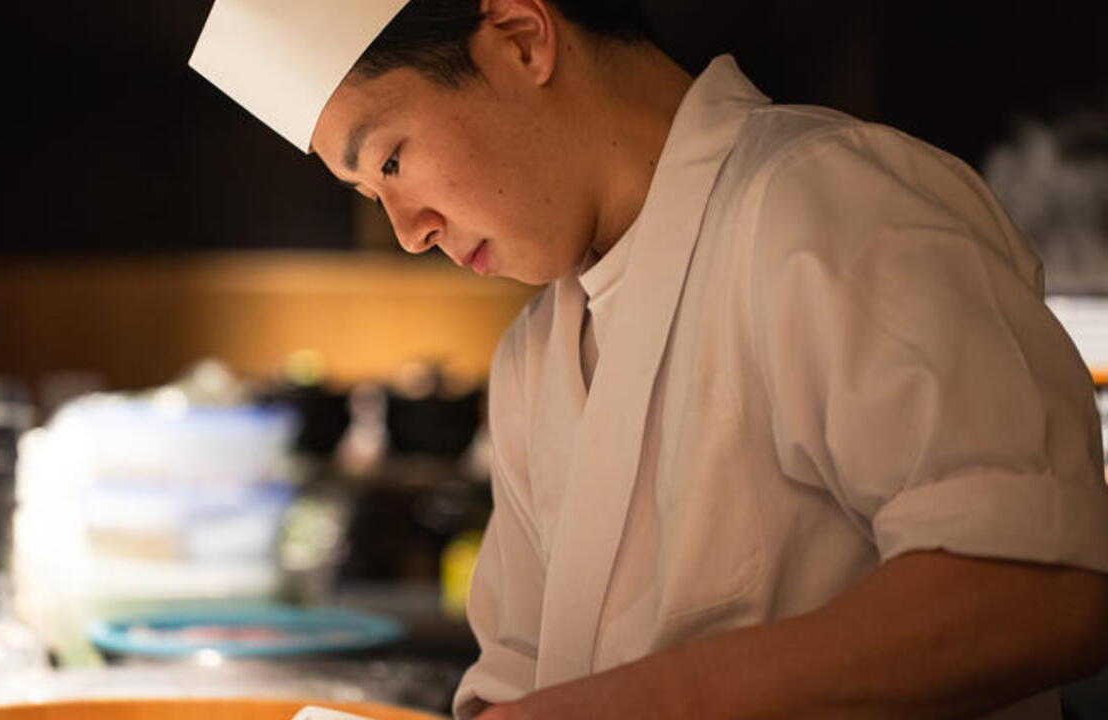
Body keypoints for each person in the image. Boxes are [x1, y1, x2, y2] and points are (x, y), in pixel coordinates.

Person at [190, 1, 1108, 717]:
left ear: (519, 38)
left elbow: (1044, 585)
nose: (408, 233)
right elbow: (516, 683)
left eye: (389, 161)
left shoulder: (829, 204)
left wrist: (657, 703)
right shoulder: (534, 361)